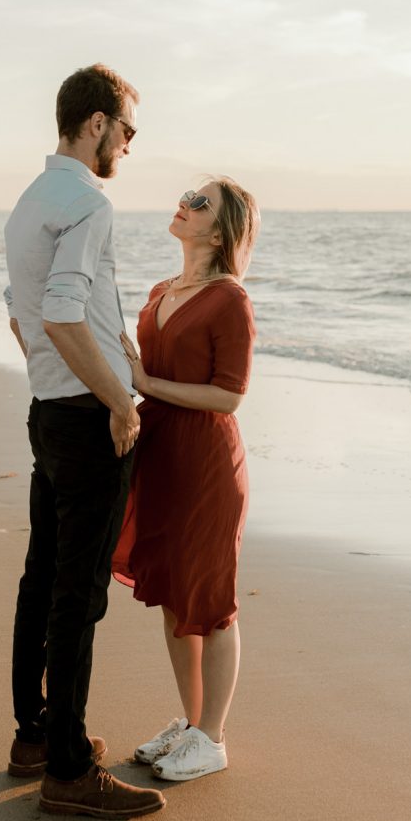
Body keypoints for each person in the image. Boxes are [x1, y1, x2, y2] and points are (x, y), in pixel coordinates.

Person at [3, 63, 165, 819]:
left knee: (43, 578)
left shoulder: (31, 201)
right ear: (96, 123)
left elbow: (24, 313)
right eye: (128, 130)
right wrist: (117, 403)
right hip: (85, 417)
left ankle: (35, 733)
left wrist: (80, 367)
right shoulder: (87, 205)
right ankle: (67, 766)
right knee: (79, 593)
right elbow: (65, 312)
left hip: (48, 408)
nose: (129, 146)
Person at [112, 178, 259, 781]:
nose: (186, 204)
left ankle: (214, 739)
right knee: (173, 598)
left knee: (212, 603)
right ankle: (192, 722)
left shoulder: (230, 301)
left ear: (220, 231)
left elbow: (229, 396)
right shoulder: (160, 290)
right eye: (187, 195)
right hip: (160, 455)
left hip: (204, 462)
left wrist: (146, 384)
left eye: (201, 203)